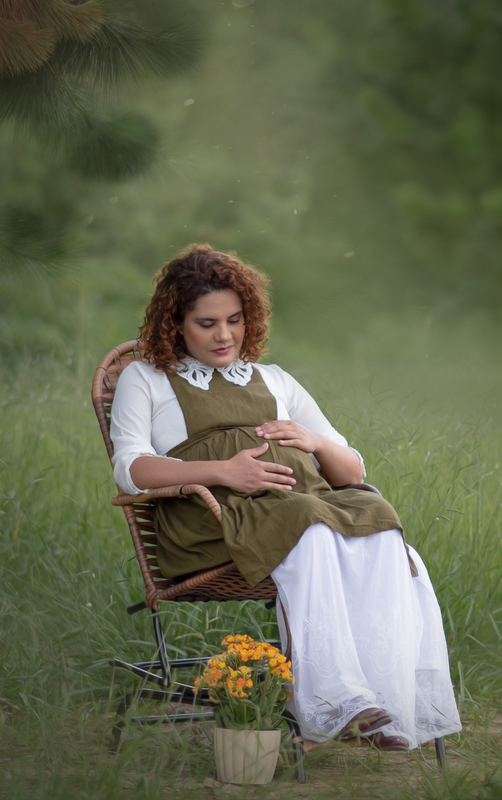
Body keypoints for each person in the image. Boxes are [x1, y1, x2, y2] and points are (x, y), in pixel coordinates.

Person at [109, 244, 462, 751]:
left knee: (377, 516)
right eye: (207, 323)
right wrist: (225, 470)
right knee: (311, 524)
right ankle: (340, 701)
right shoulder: (146, 378)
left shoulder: (274, 380)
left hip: (302, 506)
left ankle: (387, 698)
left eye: (234, 319)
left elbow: (352, 468)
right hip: (214, 523)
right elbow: (132, 470)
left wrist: (316, 443)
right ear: (176, 323)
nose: (225, 334)